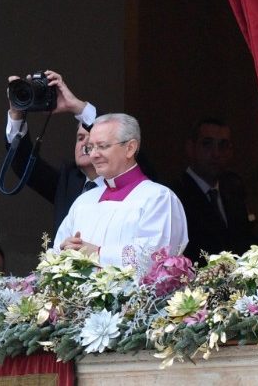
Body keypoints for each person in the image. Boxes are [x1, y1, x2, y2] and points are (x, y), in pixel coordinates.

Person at [5, 70, 156, 235]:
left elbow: (130, 150)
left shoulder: (134, 182)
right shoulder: (68, 181)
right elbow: (23, 166)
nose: (86, 143)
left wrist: (76, 106)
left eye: (93, 139)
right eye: (80, 138)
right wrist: (16, 114)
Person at [54, 113, 188, 273]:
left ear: (130, 148)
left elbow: (154, 259)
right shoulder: (83, 201)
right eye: (91, 147)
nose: (94, 155)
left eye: (102, 146)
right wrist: (63, 252)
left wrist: (97, 253)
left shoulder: (158, 198)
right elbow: (56, 252)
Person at [169, 118, 254, 263]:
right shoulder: (174, 195)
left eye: (223, 145)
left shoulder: (233, 192)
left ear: (230, 151)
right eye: (207, 144)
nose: (216, 153)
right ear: (191, 148)